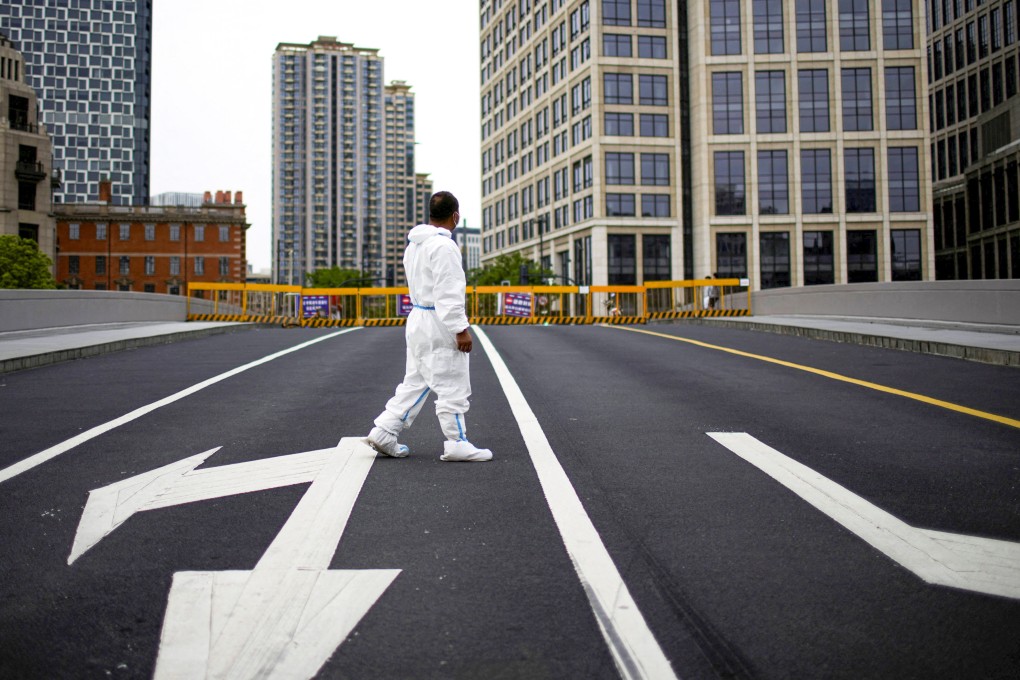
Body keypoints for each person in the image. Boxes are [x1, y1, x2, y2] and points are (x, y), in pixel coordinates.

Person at [364, 191, 493, 462]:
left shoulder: (415, 245)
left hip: (418, 318)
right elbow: (449, 291)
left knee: (418, 379)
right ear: (455, 216)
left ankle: (385, 430)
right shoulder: (445, 247)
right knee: (451, 380)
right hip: (438, 321)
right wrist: (461, 329)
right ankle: (457, 442)